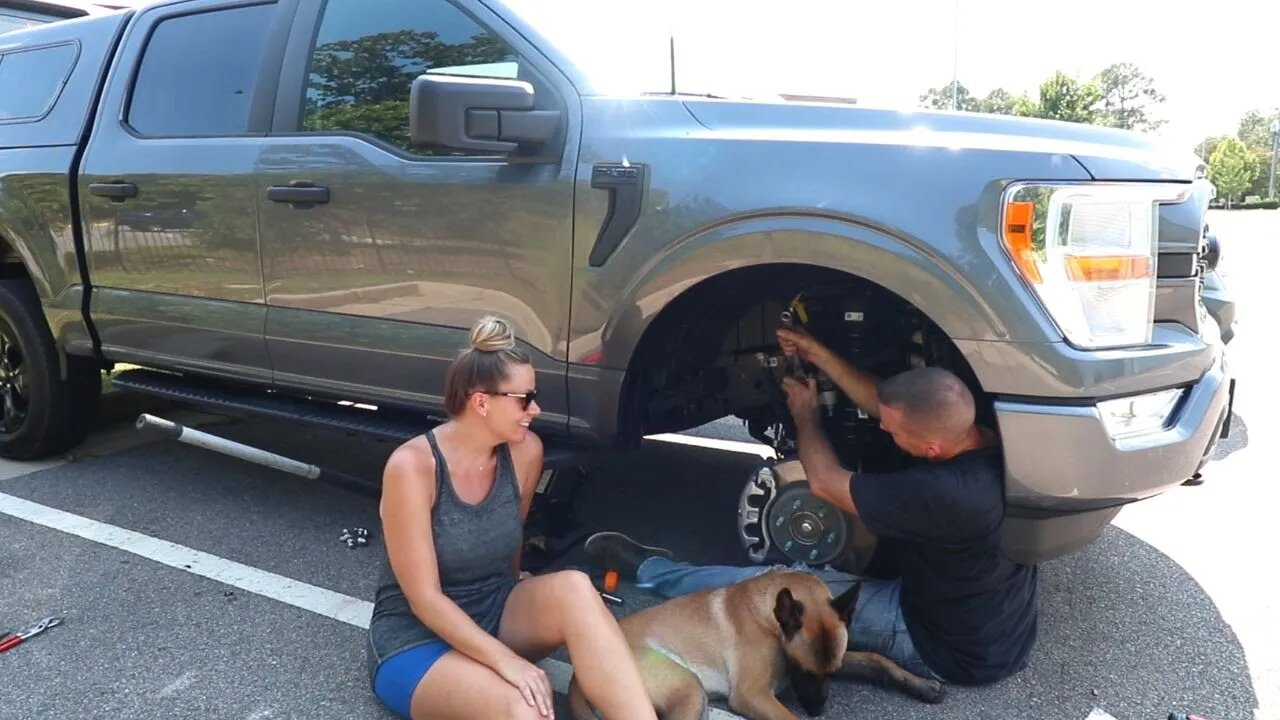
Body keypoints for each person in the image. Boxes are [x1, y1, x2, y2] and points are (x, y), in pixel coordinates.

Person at [585, 326, 1039, 687]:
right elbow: (890, 404)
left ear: (935, 447)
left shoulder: (948, 494)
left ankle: (652, 571)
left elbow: (824, 484)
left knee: (767, 589)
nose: (884, 431)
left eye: (895, 433)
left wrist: (805, 414)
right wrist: (816, 350)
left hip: (940, 643)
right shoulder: (987, 439)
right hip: (1000, 629)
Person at [367, 316, 658, 720]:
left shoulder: (525, 452)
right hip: (418, 639)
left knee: (574, 587)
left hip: (493, 608)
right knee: (526, 708)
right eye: (523, 399)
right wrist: (507, 662)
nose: (535, 409)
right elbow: (425, 600)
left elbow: (511, 543)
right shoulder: (413, 467)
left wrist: (528, 595)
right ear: (481, 402)